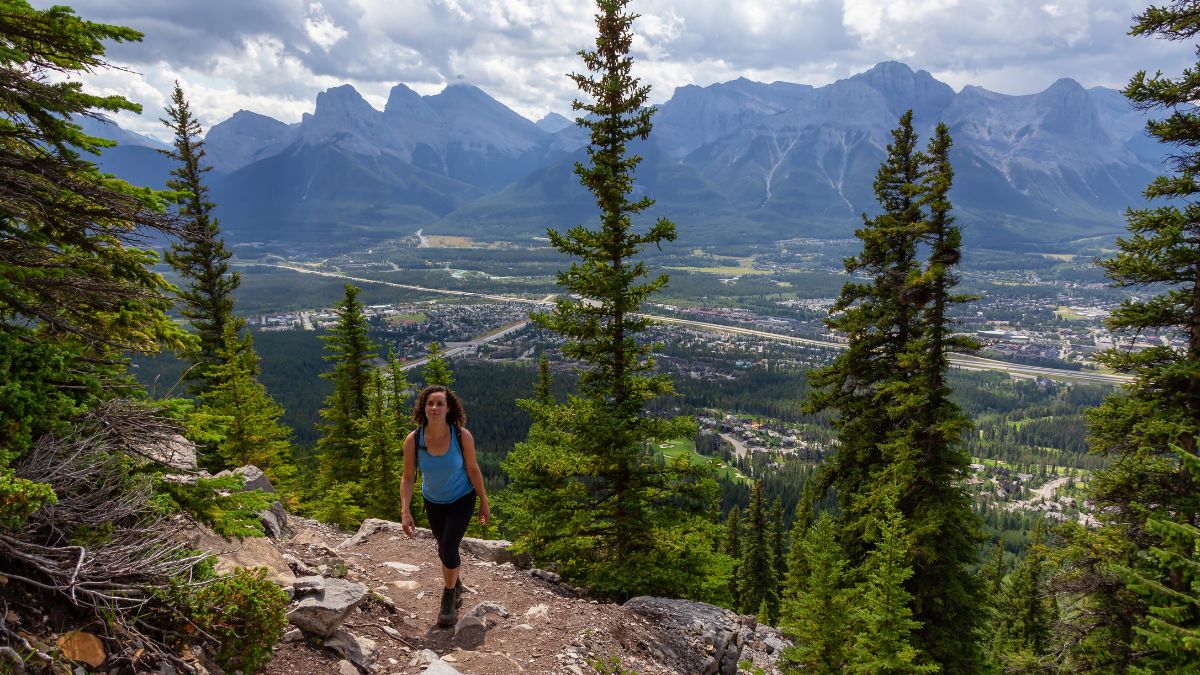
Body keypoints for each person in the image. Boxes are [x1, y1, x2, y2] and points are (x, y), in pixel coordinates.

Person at [400, 385, 490, 628]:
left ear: (449, 408)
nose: (434, 407)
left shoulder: (461, 436)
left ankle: (449, 596)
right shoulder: (414, 440)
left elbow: (473, 470)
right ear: (423, 408)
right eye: (430, 403)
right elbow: (408, 477)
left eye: (440, 403)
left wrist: (483, 500)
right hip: (433, 501)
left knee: (449, 546)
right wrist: (405, 510)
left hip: (462, 498)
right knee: (443, 548)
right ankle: (456, 582)